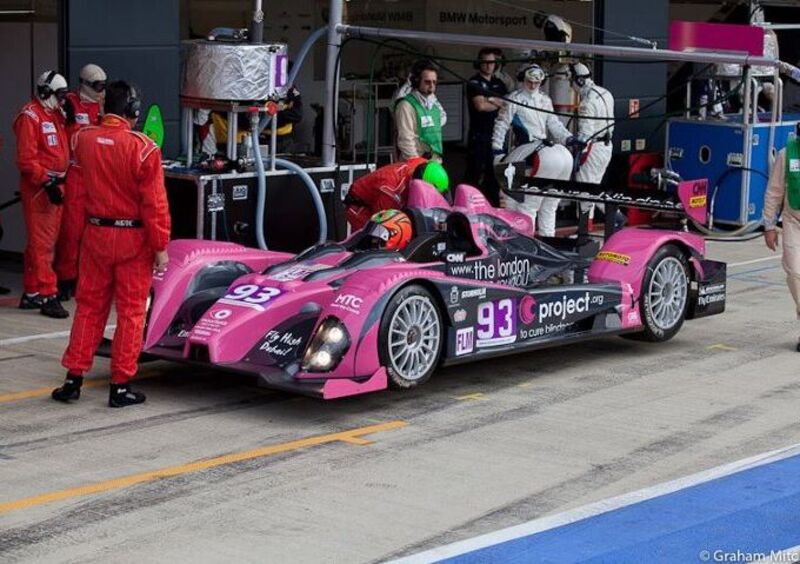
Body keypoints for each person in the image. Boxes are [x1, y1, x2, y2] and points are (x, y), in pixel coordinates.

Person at [52, 81, 171, 407]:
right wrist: (161, 246)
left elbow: (74, 199)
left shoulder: (82, 140)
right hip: (133, 241)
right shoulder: (144, 148)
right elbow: (155, 205)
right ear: (133, 110)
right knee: (132, 313)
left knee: (88, 308)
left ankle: (73, 379)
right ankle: (120, 386)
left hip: (95, 237)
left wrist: (73, 244)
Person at [491, 63, 577, 237]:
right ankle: (523, 240)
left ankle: (548, 241)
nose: (533, 85)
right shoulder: (513, 98)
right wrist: (496, 149)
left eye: (537, 82)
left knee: (549, 204)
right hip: (523, 152)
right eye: (530, 81)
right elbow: (501, 124)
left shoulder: (545, 100)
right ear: (523, 79)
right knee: (523, 203)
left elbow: (554, 124)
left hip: (541, 150)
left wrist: (569, 138)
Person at [14, 70, 70, 318]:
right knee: (43, 245)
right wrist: (47, 183)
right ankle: (48, 294)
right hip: (40, 188)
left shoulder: (55, 114)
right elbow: (26, 160)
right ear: (46, 92)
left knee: (42, 243)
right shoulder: (30, 117)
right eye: (59, 95)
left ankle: (32, 291)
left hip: (56, 184)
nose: (62, 99)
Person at [54, 63, 106, 300]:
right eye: (97, 85)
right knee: (71, 231)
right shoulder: (69, 103)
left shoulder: (101, 107)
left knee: (93, 232)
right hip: (74, 172)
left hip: (94, 175)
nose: (100, 89)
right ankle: (65, 278)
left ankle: (86, 278)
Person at [763, 137, 800, 352]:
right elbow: (774, 191)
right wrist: (769, 226)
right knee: (795, 273)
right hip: (793, 222)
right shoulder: (787, 154)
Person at [344, 158, 449, 230]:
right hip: (360, 206)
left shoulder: (424, 165)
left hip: (387, 195)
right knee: (381, 234)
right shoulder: (392, 191)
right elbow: (382, 220)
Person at [570, 62, 615, 226]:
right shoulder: (606, 93)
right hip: (607, 146)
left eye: (572, 82)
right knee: (594, 188)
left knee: (584, 190)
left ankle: (584, 230)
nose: (572, 86)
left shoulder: (586, 102)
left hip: (593, 148)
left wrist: (575, 149)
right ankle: (615, 216)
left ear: (579, 81)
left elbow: (585, 135)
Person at [464, 48, 508, 206]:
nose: (489, 66)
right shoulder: (474, 82)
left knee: (494, 172)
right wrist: (496, 101)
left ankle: (492, 205)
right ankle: (468, 204)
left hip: (496, 135)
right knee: (475, 171)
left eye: (493, 62)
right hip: (479, 134)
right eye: (486, 62)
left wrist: (491, 100)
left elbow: (506, 105)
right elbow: (480, 106)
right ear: (479, 63)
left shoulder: (499, 83)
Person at [394, 59, 447, 162]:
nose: (431, 86)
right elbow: (406, 140)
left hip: (435, 162)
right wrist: (416, 164)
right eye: (427, 82)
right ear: (417, 81)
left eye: (434, 82)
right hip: (415, 162)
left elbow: (442, 119)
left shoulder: (433, 104)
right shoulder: (406, 105)